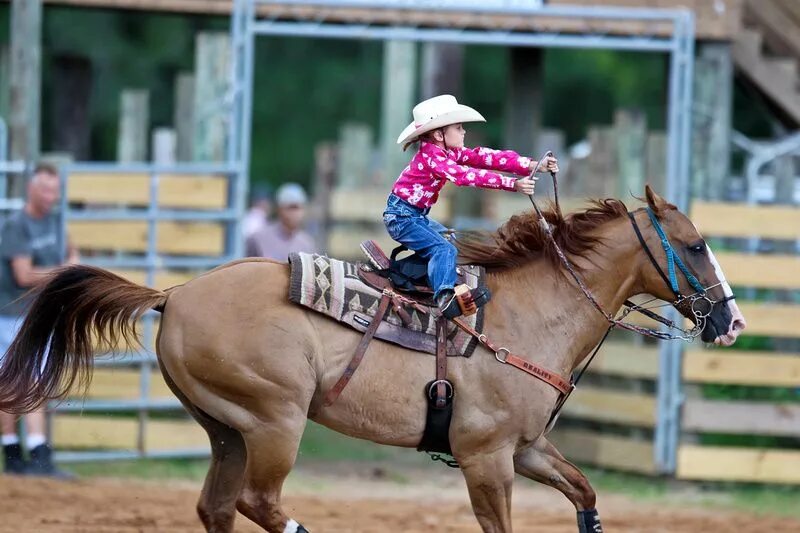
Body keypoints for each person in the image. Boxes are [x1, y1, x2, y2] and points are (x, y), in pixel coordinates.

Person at [384, 94, 558, 318]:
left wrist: (534, 165)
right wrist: (512, 184)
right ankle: (445, 300)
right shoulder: (433, 158)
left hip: (412, 216)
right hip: (402, 218)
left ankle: (415, 277)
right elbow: (465, 176)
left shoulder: (445, 153)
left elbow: (486, 158)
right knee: (443, 249)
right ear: (439, 134)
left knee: (450, 241)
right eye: (458, 127)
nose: (463, 131)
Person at [0, 163, 76, 477]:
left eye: (54, 190)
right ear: (31, 190)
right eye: (45, 189)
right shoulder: (17, 225)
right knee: (20, 382)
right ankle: (30, 453)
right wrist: (63, 273)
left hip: (37, 315)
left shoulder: (56, 223)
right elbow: (23, 275)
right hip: (12, 314)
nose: (50, 196)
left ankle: (21, 453)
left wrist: (68, 267)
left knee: (25, 382)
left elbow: (73, 255)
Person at [245, 183, 317, 260]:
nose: (295, 214)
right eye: (291, 207)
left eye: (299, 208)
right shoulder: (258, 239)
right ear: (279, 209)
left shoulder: (307, 244)